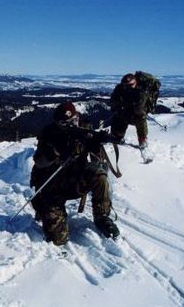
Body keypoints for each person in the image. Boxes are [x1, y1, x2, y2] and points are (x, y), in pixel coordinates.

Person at [30, 102, 120, 246]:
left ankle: (102, 217)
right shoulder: (49, 133)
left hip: (75, 179)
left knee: (99, 175)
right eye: (66, 122)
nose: (72, 124)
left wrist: (96, 142)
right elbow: (39, 161)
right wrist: (56, 153)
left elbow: (94, 152)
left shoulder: (83, 129)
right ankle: (42, 208)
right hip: (52, 186)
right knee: (58, 239)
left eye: (74, 120)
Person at [110, 73, 150, 148]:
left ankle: (142, 139)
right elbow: (113, 101)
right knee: (118, 116)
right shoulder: (119, 89)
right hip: (124, 110)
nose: (127, 88)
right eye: (125, 86)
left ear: (135, 83)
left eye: (130, 85)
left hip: (136, 112)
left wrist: (130, 106)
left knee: (141, 118)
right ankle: (118, 135)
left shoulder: (141, 91)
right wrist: (119, 106)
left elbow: (139, 109)